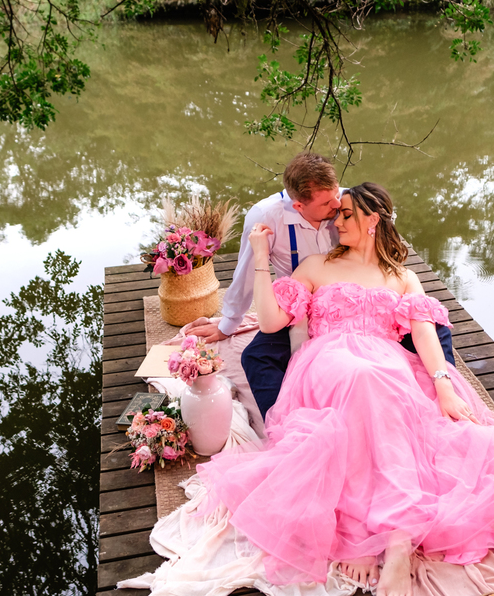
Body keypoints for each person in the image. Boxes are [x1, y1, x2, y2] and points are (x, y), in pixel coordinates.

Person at [196, 183, 494, 596]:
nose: (334, 222)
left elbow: (423, 334)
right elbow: (269, 323)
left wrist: (443, 385)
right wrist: (262, 259)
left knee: (392, 391)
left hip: (388, 364)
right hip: (330, 361)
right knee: (362, 378)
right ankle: (373, 531)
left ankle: (397, 540)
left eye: (344, 215)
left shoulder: (402, 276)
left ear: (372, 220)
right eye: (335, 214)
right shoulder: (317, 266)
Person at [184, 152, 454, 420]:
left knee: (433, 327)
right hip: (309, 306)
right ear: (299, 205)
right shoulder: (268, 217)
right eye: (329, 204)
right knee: (257, 355)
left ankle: (447, 397)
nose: (337, 209)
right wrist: (228, 323)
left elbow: (378, 233)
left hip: (377, 326)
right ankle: (286, 424)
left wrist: (443, 383)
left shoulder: (351, 202)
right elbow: (246, 274)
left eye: (340, 200)